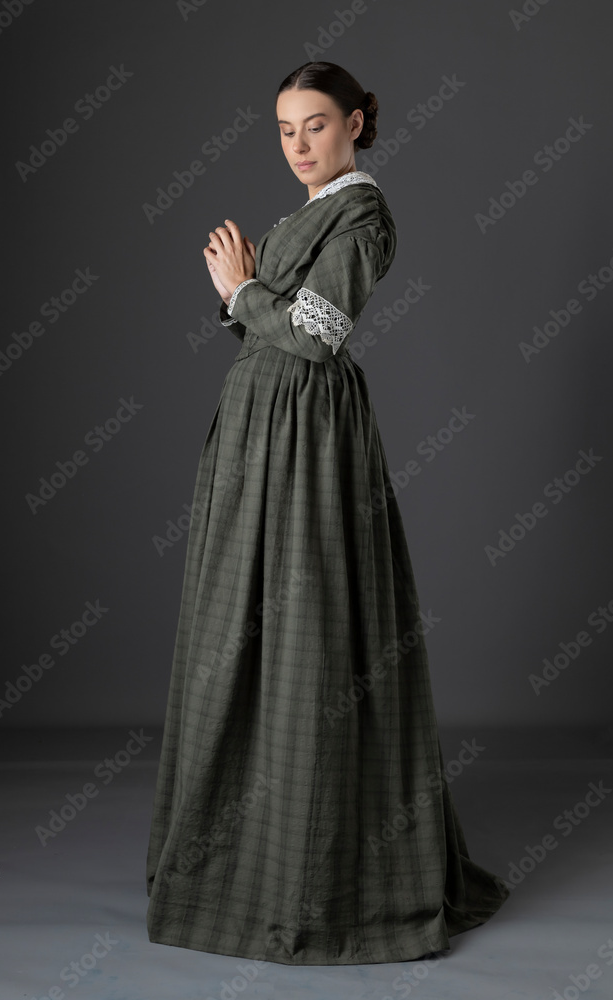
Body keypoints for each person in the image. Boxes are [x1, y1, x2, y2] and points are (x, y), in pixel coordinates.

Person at [146, 60, 510, 966]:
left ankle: (315, 873)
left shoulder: (363, 213)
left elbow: (314, 334)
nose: (298, 144)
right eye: (283, 129)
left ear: (355, 122)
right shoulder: (296, 216)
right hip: (258, 426)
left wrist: (240, 289)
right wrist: (239, 293)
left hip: (308, 433)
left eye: (314, 124)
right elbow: (268, 325)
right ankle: (232, 858)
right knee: (239, 628)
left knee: (308, 627)